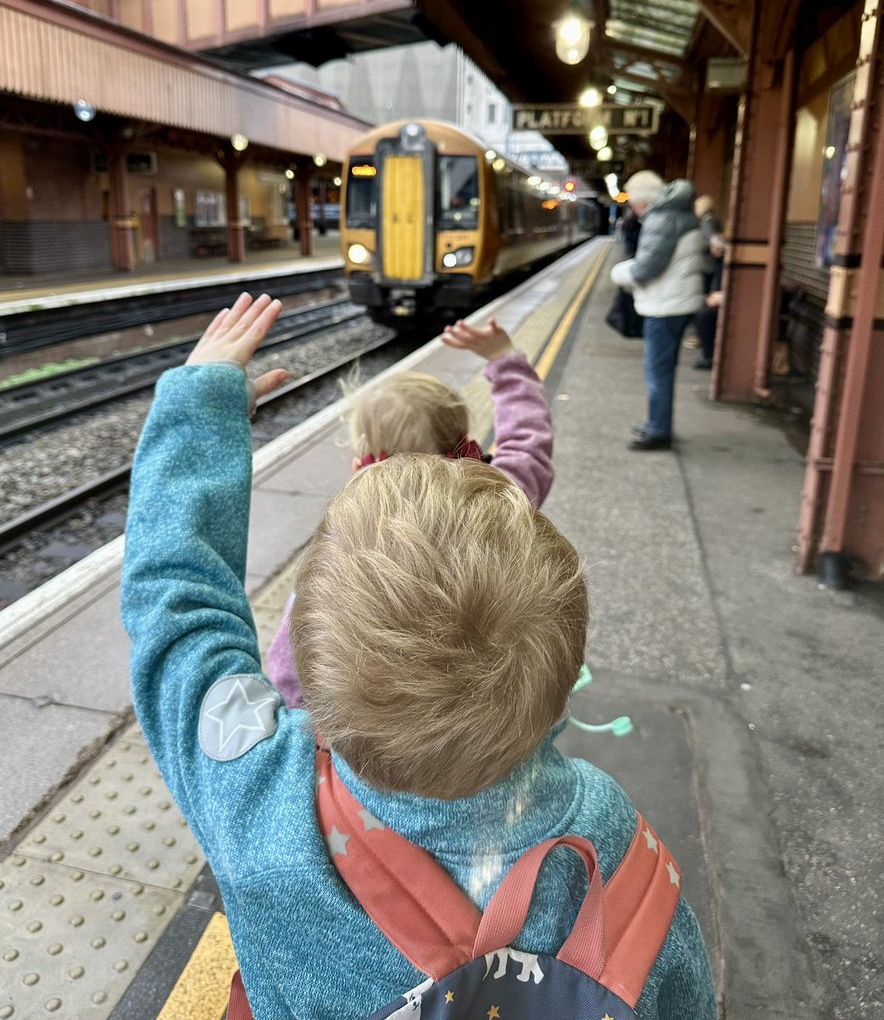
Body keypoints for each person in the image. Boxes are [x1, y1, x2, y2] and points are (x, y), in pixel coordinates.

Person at [121, 293, 717, 1020]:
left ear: (313, 669)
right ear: (559, 685)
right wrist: (504, 360)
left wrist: (201, 406)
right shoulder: (605, 834)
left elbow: (176, 605)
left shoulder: (254, 797)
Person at [267, 315, 553, 706]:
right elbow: (527, 440)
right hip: (485, 711)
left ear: (362, 467)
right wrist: (503, 358)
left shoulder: (342, 558)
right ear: (464, 446)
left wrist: (305, 727)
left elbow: (291, 666)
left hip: (384, 735)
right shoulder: (505, 499)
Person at [610, 171, 705, 450]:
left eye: (634, 201)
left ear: (643, 201)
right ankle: (657, 422)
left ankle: (658, 430)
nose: (633, 208)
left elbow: (646, 268)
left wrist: (619, 272)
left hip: (666, 305)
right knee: (664, 369)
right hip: (677, 301)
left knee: (657, 371)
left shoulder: (661, 218)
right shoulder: (678, 214)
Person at [693, 233, 726, 370]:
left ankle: (709, 356)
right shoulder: (718, 262)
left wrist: (721, 296)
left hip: (723, 299)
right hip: (718, 297)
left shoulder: (723, 262)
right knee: (700, 310)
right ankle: (707, 351)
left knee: (704, 316)